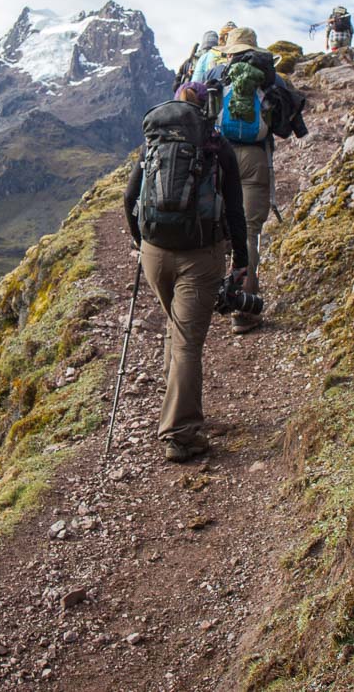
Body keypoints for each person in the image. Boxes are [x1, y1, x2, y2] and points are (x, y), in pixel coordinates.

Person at [124, 82, 249, 462]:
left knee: (175, 329)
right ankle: (181, 433)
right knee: (187, 343)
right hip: (200, 255)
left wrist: (139, 241)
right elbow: (235, 209)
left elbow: (130, 197)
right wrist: (241, 260)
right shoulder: (215, 145)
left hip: (154, 253)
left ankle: (174, 403)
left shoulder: (154, 145)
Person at [203, 27, 274, 334]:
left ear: (229, 51)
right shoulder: (268, 75)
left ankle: (218, 296)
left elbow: (204, 114)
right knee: (251, 231)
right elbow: (282, 118)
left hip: (223, 157)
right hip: (256, 159)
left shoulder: (219, 74)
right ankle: (245, 309)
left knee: (226, 227)